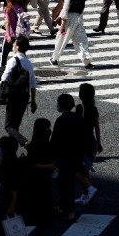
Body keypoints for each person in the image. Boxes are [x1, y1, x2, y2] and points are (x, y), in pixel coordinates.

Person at [50, 93, 86, 221]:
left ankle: (66, 209)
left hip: (63, 157)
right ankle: (67, 209)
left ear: (61, 105)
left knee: (63, 184)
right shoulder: (78, 118)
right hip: (76, 156)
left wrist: (52, 157)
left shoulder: (61, 120)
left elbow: (55, 140)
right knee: (69, 183)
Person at [23, 118, 56, 236]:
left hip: (40, 180)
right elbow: (32, 165)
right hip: (36, 181)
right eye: (47, 127)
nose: (49, 130)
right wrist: (50, 166)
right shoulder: (37, 145)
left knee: (42, 209)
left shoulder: (36, 143)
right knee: (41, 208)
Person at [1, 36, 37, 147]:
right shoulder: (28, 63)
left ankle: (25, 142)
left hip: (13, 96)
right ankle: (12, 151)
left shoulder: (13, 60)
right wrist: (33, 101)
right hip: (24, 97)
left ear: (18, 47)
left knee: (8, 126)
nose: (13, 45)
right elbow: (33, 83)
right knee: (15, 125)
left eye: (14, 44)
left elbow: (4, 78)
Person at [50, 0, 94, 69]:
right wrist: (62, 25)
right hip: (68, 22)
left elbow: (81, 12)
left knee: (82, 41)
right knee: (62, 40)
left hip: (78, 22)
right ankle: (55, 58)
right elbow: (65, 11)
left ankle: (87, 62)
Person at [74, 83, 102, 205]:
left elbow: (77, 125)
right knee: (85, 170)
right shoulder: (93, 108)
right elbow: (97, 127)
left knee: (74, 169)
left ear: (81, 95)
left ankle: (90, 189)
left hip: (82, 142)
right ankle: (86, 195)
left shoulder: (80, 108)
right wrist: (99, 142)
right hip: (91, 141)